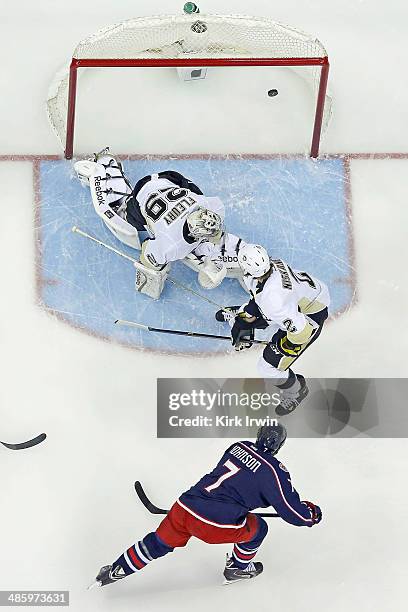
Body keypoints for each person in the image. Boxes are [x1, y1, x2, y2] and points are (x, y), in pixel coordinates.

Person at [90, 423, 321, 588]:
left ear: (258, 435)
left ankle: (114, 570)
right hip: (214, 522)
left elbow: (238, 480)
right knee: (258, 529)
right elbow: (293, 514)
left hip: (184, 506)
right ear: (279, 445)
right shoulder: (274, 471)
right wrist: (312, 514)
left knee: (157, 543)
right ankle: (238, 569)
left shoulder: (237, 446)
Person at [74, 148, 246, 298]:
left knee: (192, 193)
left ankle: (107, 163)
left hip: (167, 180)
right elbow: (147, 256)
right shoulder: (172, 243)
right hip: (141, 195)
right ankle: (106, 169)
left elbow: (213, 229)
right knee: (126, 216)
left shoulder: (210, 206)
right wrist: (151, 280)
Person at [216, 244, 330, 414]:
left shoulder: (274, 302)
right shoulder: (271, 265)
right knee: (246, 313)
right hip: (300, 299)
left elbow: (301, 332)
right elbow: (259, 296)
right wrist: (247, 316)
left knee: (267, 367)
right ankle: (241, 314)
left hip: (309, 317)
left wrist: (283, 346)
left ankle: (296, 390)